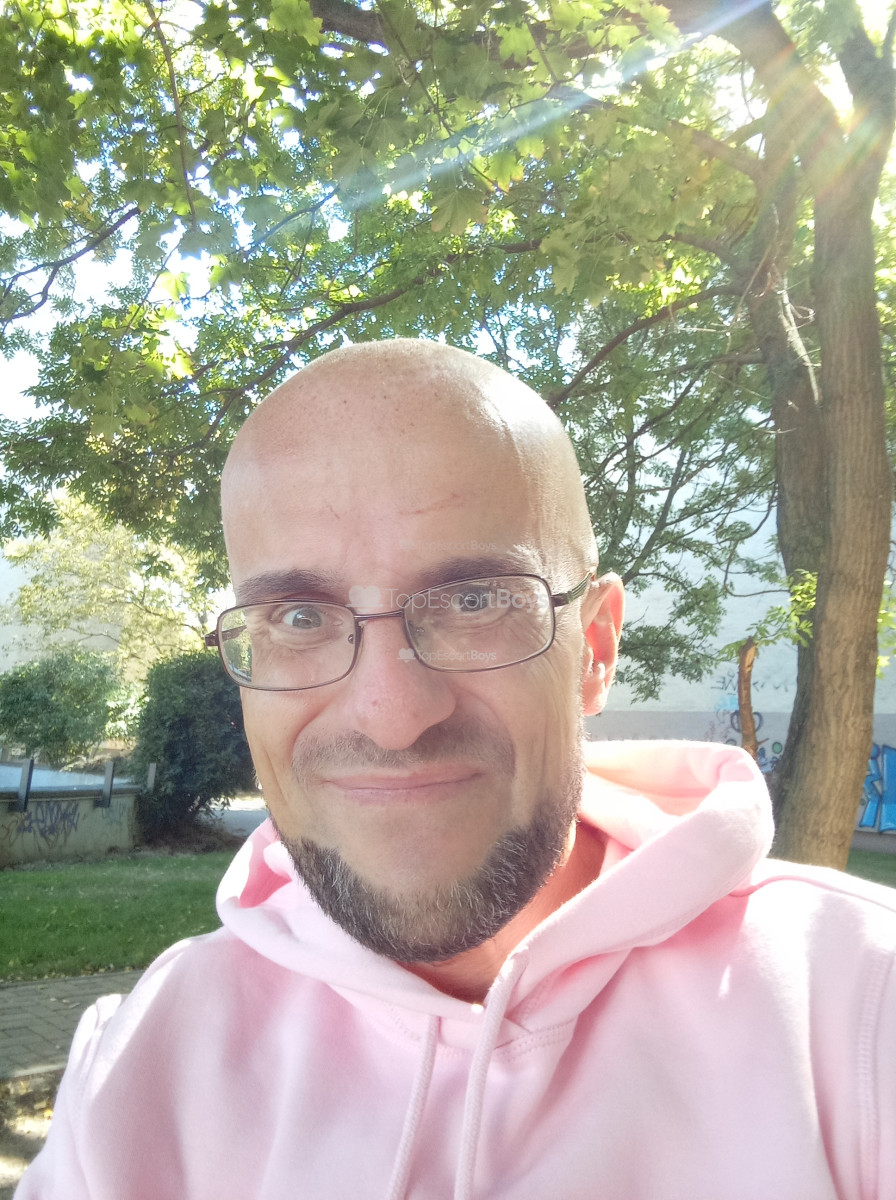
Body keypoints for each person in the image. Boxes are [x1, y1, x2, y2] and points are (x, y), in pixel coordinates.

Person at [17, 339, 896, 1199]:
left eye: (475, 602)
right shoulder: (142, 1066)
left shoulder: (859, 1008)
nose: (392, 717)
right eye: (299, 617)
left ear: (594, 651)